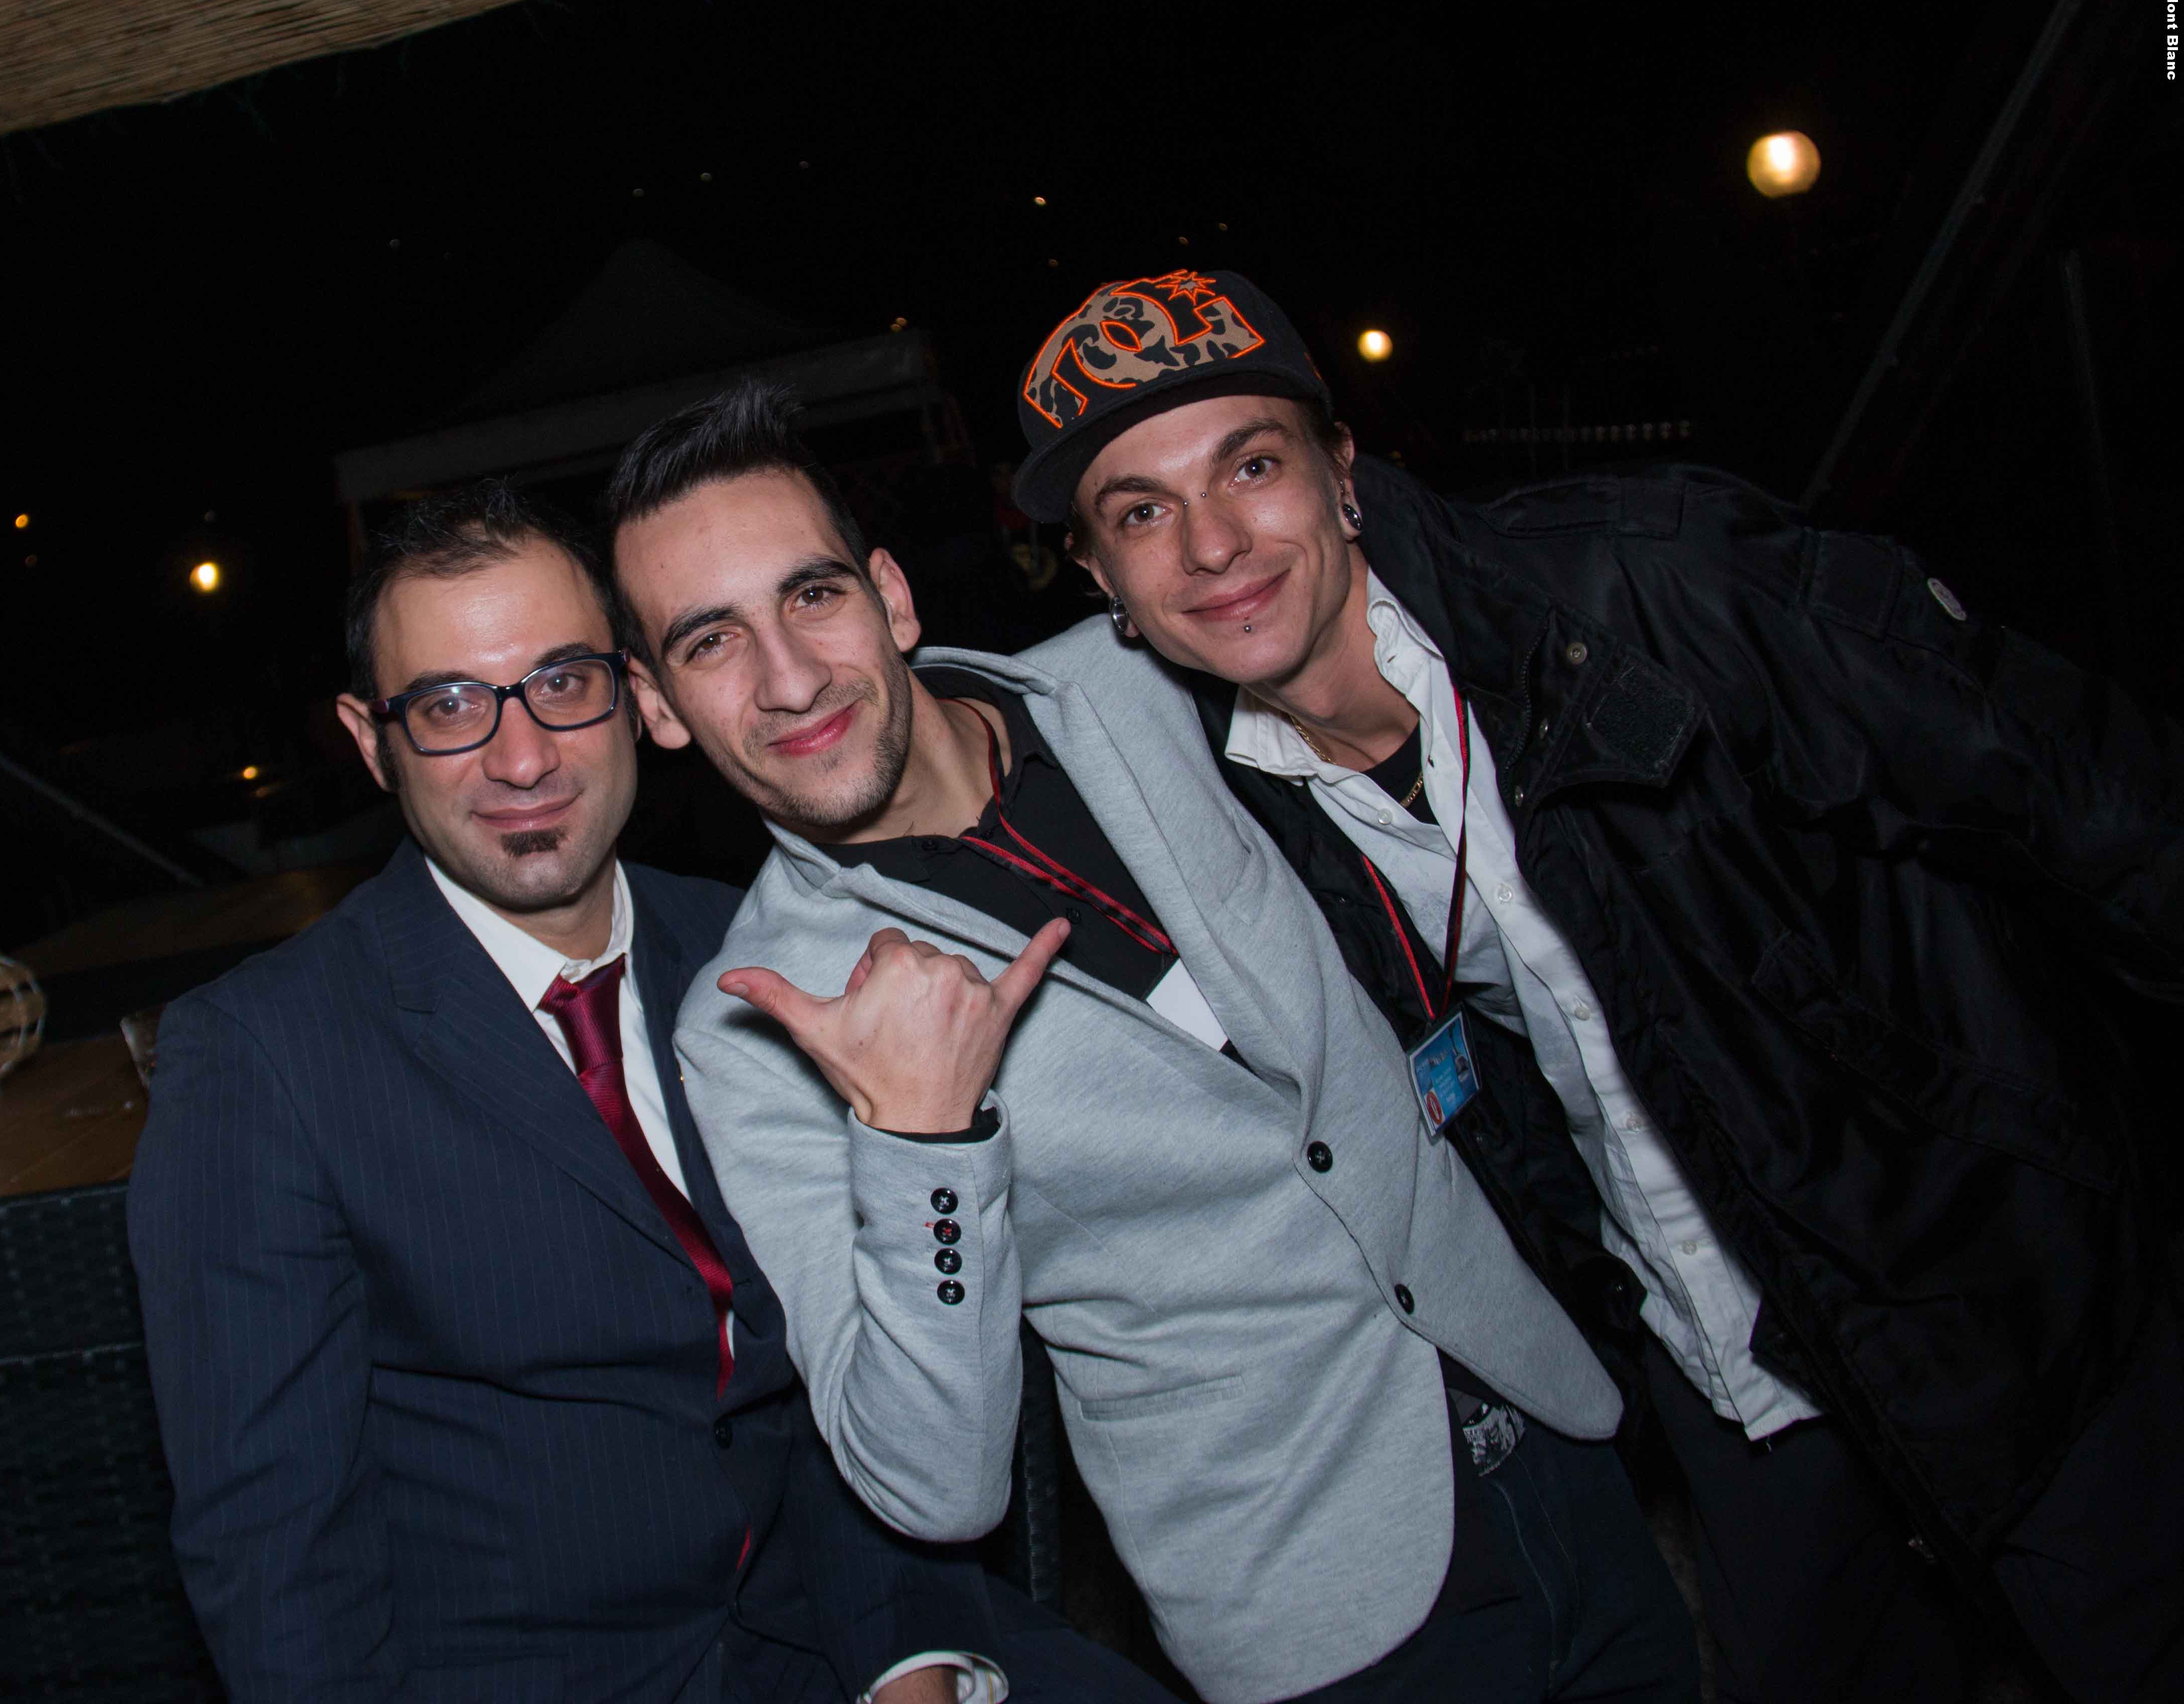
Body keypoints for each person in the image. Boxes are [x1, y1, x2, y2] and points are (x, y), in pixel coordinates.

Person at [1006, 265, 2184, 1702]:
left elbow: (2090, 796)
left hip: (2009, 1310)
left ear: (1344, 470)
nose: (1211, 544)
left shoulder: (1645, 587)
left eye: (1251, 465)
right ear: (1104, 586)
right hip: (1728, 1379)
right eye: (1140, 513)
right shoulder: (1250, 803)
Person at [602, 381, 1699, 1704]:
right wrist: (920, 1142)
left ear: (890, 596)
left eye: (814, 596)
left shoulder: (1136, 681)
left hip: (1559, 1425)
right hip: (1315, 1600)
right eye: (711, 643)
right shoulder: (753, 1022)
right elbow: (930, 1484)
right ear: (657, 705)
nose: (788, 679)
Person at [127, 481, 1161, 1703]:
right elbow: (276, 1557)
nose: (523, 758)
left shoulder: (760, 954)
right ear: (371, 741)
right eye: (450, 706)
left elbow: (855, 1381)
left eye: (563, 683)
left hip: (847, 1635)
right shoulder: (263, 1059)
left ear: (633, 694)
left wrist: (908, 1660)